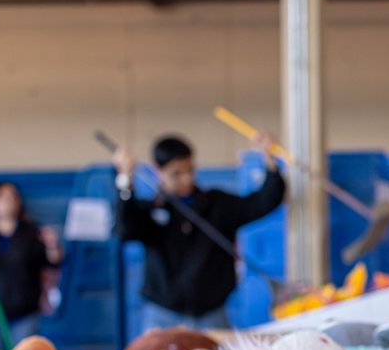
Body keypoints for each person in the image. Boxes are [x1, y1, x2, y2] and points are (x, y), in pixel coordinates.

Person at [113, 132, 284, 332]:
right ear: (157, 171)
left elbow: (263, 202)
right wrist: (126, 180)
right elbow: (125, 230)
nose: (186, 179)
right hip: (163, 317)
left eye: (190, 170)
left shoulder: (218, 204)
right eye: (176, 173)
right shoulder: (150, 211)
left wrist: (270, 162)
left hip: (213, 315)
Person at [0, 182, 62, 350]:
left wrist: (52, 246)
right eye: (2, 198)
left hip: (24, 314)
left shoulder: (31, 232)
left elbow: (53, 262)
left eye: (12, 197)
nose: (8, 201)